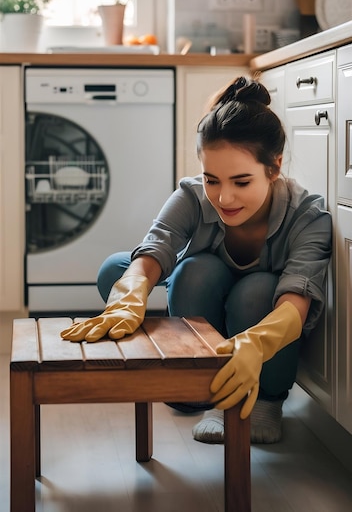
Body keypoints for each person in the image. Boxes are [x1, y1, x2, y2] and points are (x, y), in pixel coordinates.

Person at [61, 76, 332, 445]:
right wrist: (129, 297)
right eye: (212, 179)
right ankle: (203, 390)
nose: (224, 197)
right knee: (147, 269)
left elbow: (296, 301)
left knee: (257, 289)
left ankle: (267, 399)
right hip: (204, 296)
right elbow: (156, 246)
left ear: (274, 166)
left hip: (260, 311)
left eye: (241, 181)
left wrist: (257, 342)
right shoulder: (192, 195)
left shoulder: (307, 215)